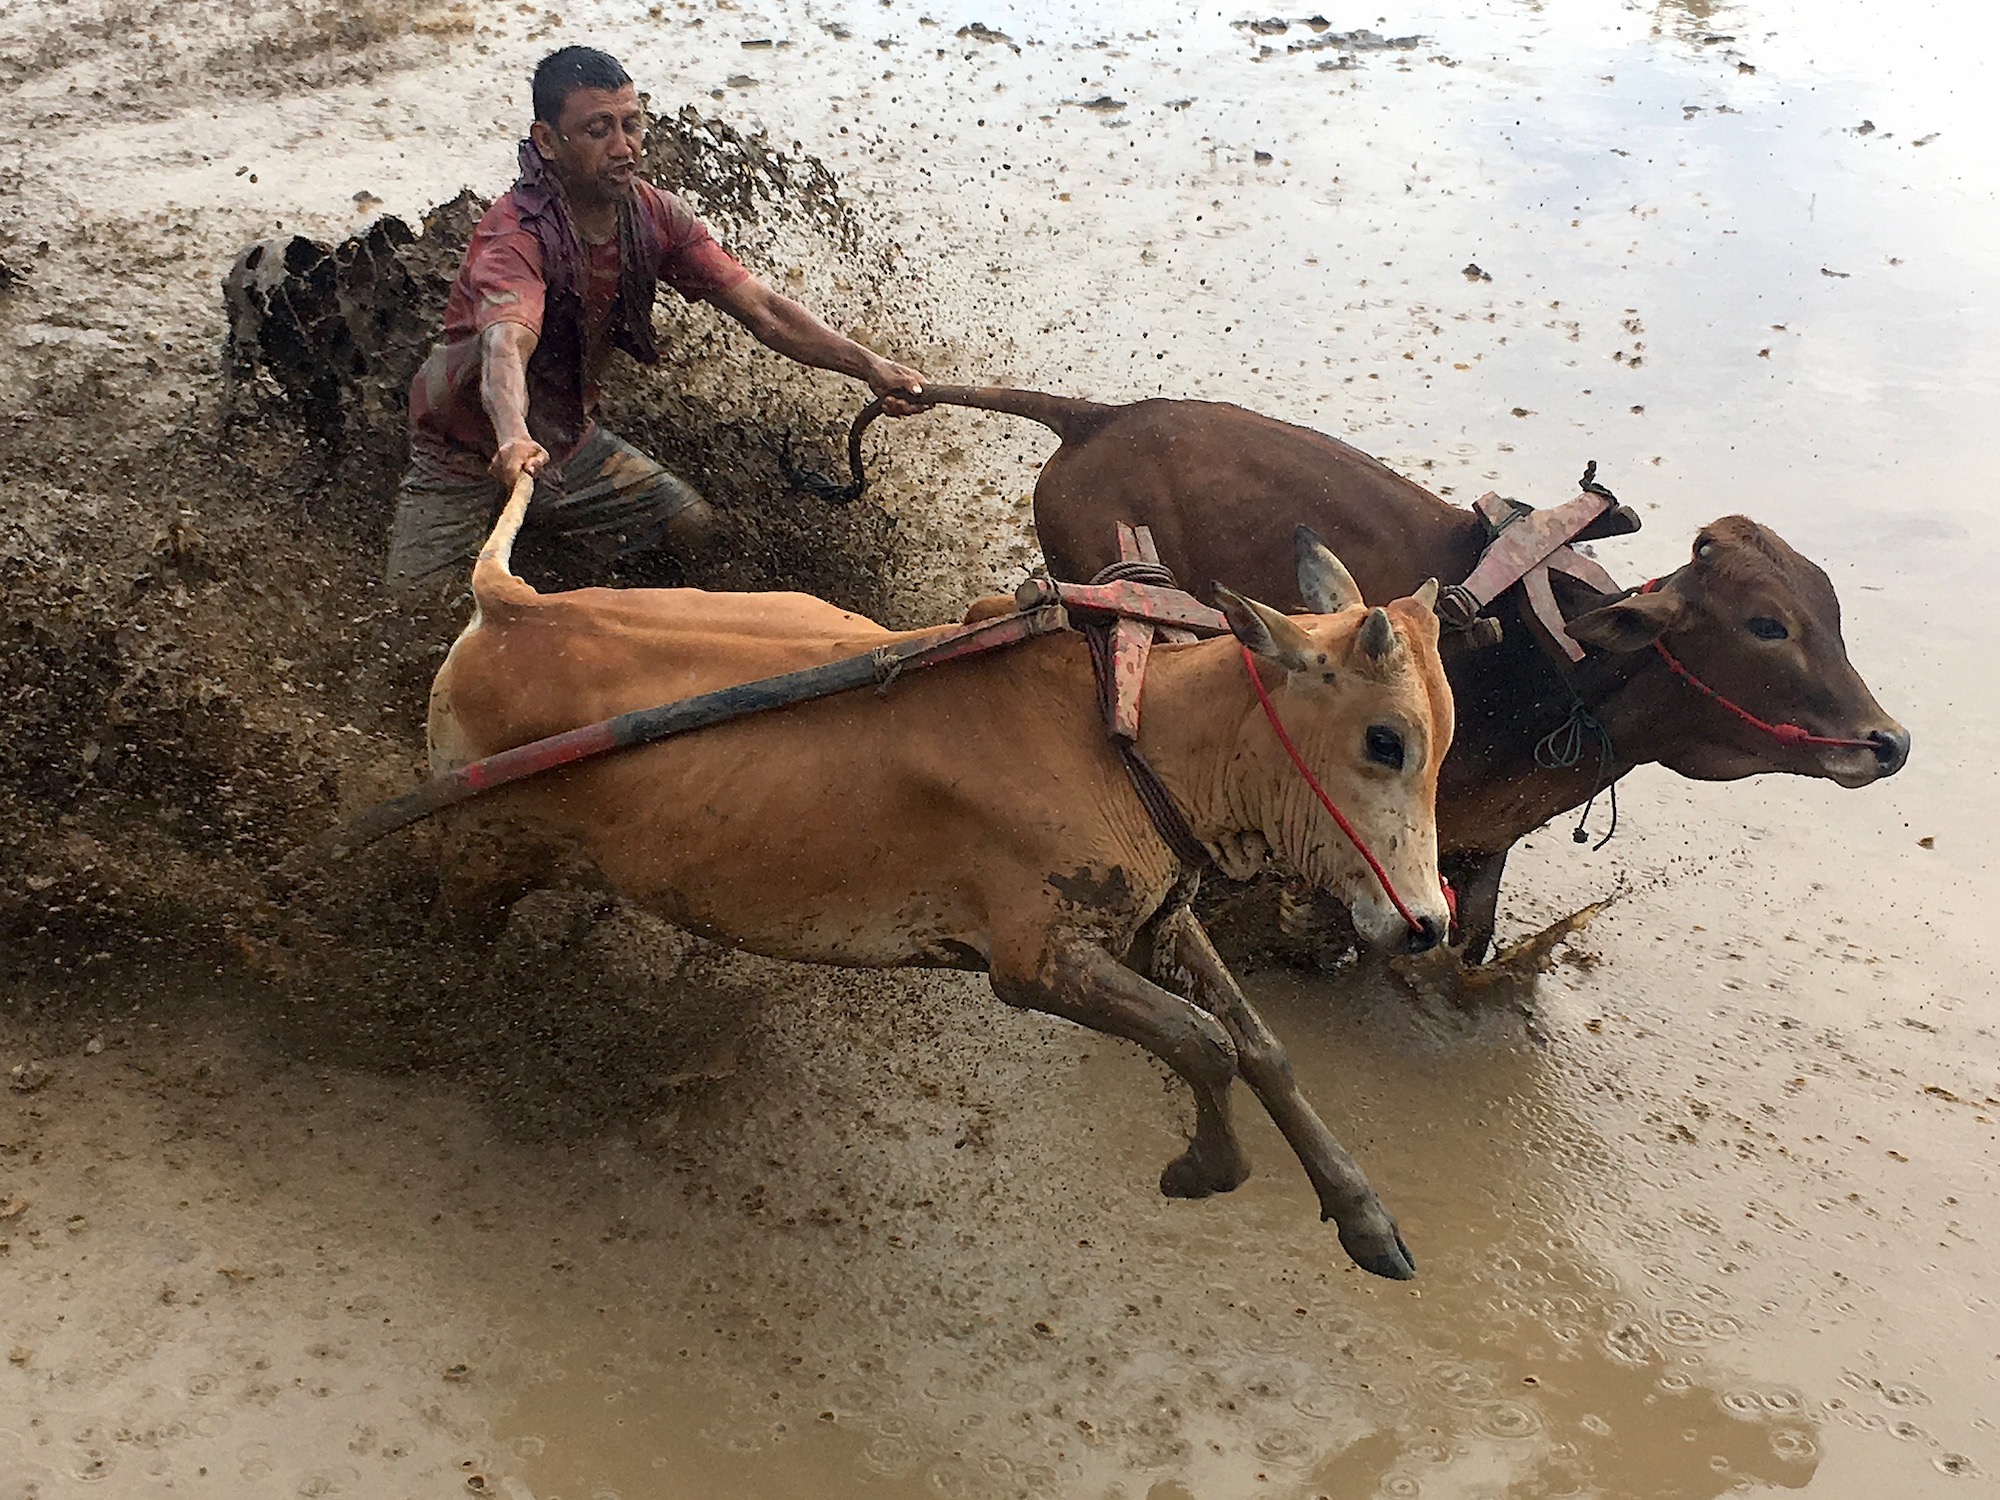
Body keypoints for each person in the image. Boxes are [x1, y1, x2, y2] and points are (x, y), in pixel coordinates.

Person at [385, 45, 927, 591]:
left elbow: (765, 311)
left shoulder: (656, 217)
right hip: (464, 451)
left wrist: (872, 368)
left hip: (569, 444)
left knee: (698, 532)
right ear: (547, 141)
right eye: (598, 129)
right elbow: (505, 346)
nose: (624, 148)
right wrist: (513, 438)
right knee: (417, 618)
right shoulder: (516, 237)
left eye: (632, 125)